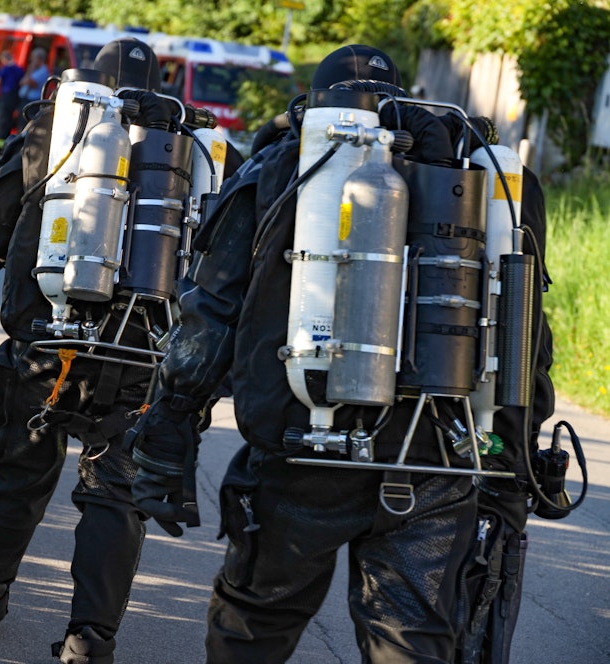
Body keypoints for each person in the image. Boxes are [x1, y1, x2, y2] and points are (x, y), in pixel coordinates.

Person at [123, 44, 555, 663]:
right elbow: (523, 333)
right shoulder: (483, 181)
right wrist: (515, 463)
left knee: (255, 623)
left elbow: (212, 310)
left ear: (316, 103)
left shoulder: (284, 166)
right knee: (413, 642)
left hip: (303, 445)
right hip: (435, 457)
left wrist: (169, 428)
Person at [0, 37, 243, 664]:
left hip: (50, 342)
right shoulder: (194, 149)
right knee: (116, 494)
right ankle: (89, 639)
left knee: (19, 466)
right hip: (144, 356)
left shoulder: (57, 129)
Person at [0, 50, 25, 153]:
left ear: (4, 59)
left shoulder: (4, 69)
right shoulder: (19, 69)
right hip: (15, 97)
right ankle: (7, 146)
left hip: (5, 97)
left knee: (2, 122)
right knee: (10, 121)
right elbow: (21, 82)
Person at [19, 47, 50, 125]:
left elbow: (30, 82)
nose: (31, 60)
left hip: (32, 100)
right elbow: (22, 82)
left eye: (33, 58)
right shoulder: (35, 69)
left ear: (39, 59)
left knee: (25, 123)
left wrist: (31, 68)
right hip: (25, 98)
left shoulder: (43, 70)